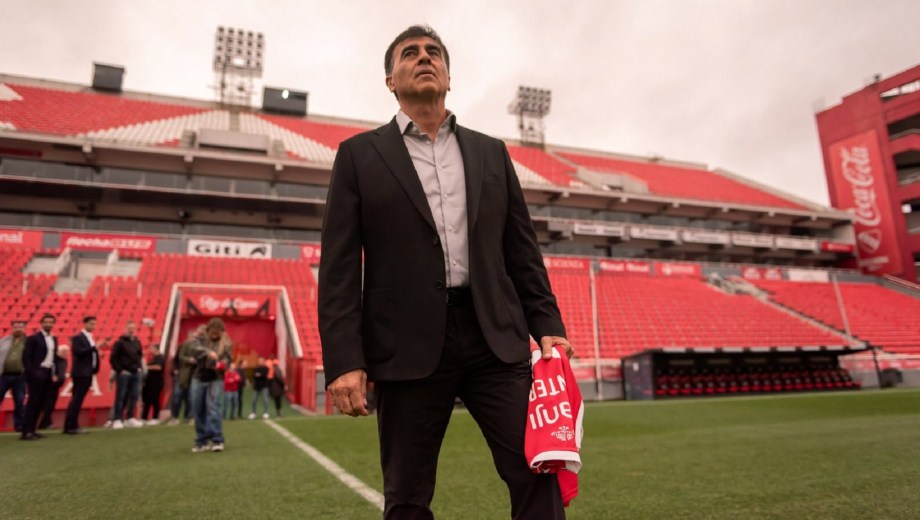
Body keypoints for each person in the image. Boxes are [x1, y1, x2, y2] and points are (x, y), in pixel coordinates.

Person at [319, 25, 575, 519]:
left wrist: (549, 328)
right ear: (390, 80)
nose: (423, 58)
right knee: (408, 495)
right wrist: (344, 358)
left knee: (535, 470)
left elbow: (521, 251)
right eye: (409, 54)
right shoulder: (358, 155)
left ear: (449, 76)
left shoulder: (490, 152)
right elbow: (339, 267)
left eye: (433, 52)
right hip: (406, 348)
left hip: (494, 339)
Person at [190, 318, 232, 452]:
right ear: (208, 331)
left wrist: (223, 364)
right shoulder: (200, 340)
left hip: (216, 378)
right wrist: (209, 353)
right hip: (199, 377)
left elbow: (228, 359)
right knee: (198, 409)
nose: (214, 336)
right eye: (212, 333)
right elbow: (194, 349)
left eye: (217, 333)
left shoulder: (226, 344)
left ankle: (217, 439)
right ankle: (201, 439)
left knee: (214, 408)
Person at [20, 314, 60, 440]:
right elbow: (26, 357)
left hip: (48, 373)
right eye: (46, 322)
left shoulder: (54, 339)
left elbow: (54, 358)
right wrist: (33, 373)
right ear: (41, 323)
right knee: (33, 402)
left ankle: (33, 429)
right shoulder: (34, 338)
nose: (48, 324)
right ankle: (26, 431)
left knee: (41, 402)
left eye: (51, 322)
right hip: (37, 372)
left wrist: (54, 373)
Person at [64, 316, 105, 434]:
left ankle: (73, 424)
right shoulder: (78, 338)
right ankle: (70, 426)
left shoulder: (89, 338)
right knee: (76, 399)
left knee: (78, 399)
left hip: (88, 372)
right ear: (85, 324)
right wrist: (93, 348)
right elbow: (78, 352)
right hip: (81, 372)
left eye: (94, 324)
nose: (93, 326)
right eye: (91, 324)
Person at [110, 321, 144, 429]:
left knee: (134, 396)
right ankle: (117, 418)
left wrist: (139, 368)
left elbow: (140, 355)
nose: (131, 330)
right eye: (129, 328)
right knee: (121, 396)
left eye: (133, 328)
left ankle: (130, 417)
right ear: (125, 328)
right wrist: (120, 370)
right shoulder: (119, 343)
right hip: (124, 373)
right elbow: (113, 358)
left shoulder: (137, 342)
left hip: (135, 372)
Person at [168, 326, 204, 426]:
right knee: (177, 396)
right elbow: (176, 359)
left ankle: (188, 417)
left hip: (193, 375)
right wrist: (175, 370)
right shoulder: (182, 346)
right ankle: (174, 417)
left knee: (190, 398)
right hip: (181, 375)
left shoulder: (199, 347)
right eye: (192, 336)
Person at [0, 320, 28, 432]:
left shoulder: (28, 341)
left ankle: (19, 425)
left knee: (19, 401)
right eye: (16, 327)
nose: (18, 329)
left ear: (24, 328)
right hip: (3, 375)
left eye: (20, 327)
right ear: (12, 328)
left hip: (20, 376)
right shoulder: (3, 340)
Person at [38, 343, 69, 430]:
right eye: (63, 351)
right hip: (48, 386)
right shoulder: (53, 359)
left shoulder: (64, 361)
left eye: (66, 352)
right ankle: (45, 423)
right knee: (48, 405)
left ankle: (45, 423)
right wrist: (52, 375)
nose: (65, 353)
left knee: (51, 405)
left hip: (56, 386)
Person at [141, 344, 165, 425]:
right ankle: (144, 418)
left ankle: (155, 418)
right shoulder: (153, 358)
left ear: (156, 349)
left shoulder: (160, 357)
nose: (150, 350)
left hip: (156, 383)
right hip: (149, 383)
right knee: (147, 401)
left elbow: (159, 367)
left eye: (152, 348)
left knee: (155, 400)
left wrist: (146, 367)